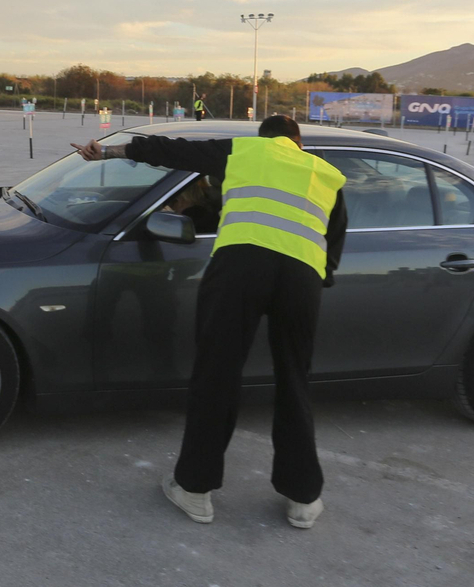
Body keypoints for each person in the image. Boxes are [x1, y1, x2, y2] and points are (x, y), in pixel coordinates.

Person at [71, 114, 347, 529]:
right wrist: (312, 279)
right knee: (294, 378)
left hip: (240, 267)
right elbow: (333, 245)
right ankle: (303, 498)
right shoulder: (327, 174)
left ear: (264, 137)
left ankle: (195, 490)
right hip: (300, 278)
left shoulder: (242, 150)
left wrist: (106, 151)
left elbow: (171, 150)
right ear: (298, 140)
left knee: (217, 374)